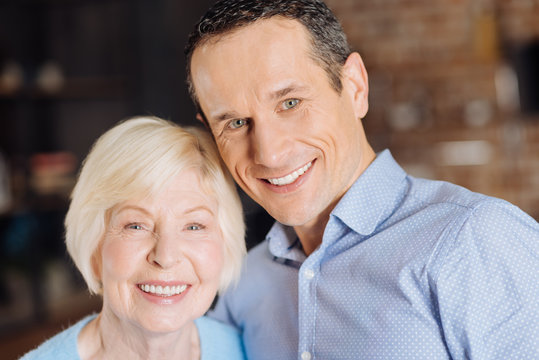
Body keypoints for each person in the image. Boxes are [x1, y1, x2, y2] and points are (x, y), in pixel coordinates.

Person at [184, 0, 539, 359]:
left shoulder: (472, 241)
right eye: (236, 123)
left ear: (354, 86)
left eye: (290, 103)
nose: (269, 154)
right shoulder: (241, 284)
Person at [20, 117, 246, 360]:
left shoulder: (251, 350)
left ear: (225, 243)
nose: (166, 257)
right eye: (136, 226)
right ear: (94, 246)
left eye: (194, 226)